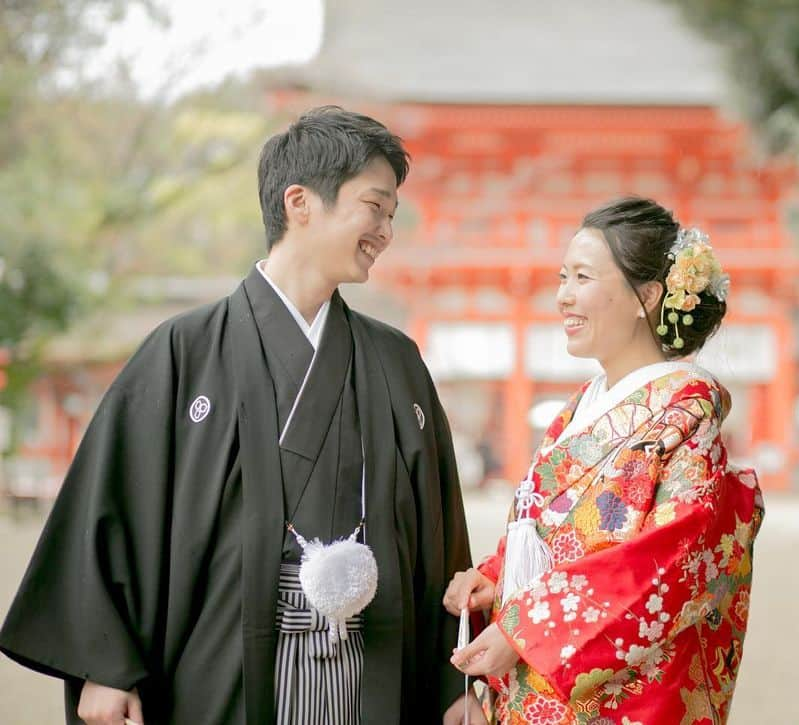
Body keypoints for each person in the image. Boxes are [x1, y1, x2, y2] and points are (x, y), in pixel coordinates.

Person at [1, 106, 476, 724]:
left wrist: (455, 679)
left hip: (371, 669)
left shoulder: (395, 361)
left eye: (390, 215)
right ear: (300, 202)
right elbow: (112, 508)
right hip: (222, 664)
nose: (386, 230)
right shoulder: (183, 351)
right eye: (374, 207)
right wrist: (105, 667)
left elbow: (440, 538)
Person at [444, 197, 764, 724]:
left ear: (647, 296)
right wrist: (497, 578)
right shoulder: (581, 407)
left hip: (613, 698)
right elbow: (549, 531)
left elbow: (665, 563)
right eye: (562, 277)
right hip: (539, 679)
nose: (563, 296)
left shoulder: (688, 411)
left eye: (582, 278)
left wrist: (527, 628)